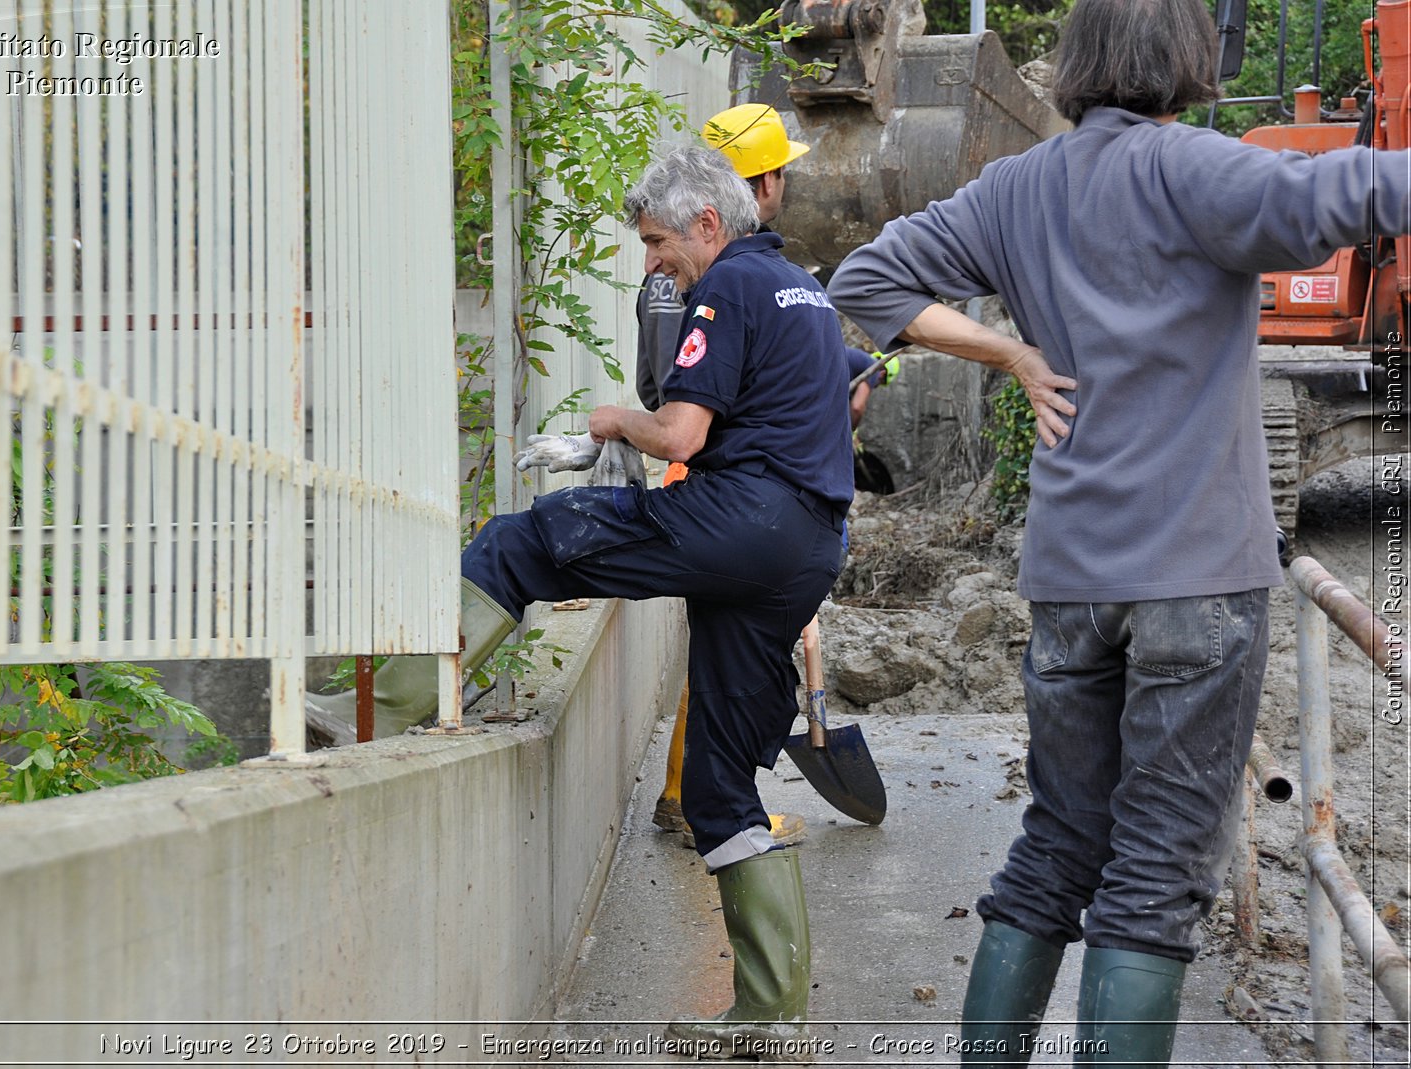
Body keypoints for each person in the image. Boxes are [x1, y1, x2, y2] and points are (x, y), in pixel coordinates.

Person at [826, 0, 1411, 1063]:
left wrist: (1006, 353)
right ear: (1185, 55)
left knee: (1054, 845)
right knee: (1153, 875)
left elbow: (864, 279)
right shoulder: (1195, 168)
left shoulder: (1016, 187)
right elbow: (1359, 187)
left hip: (1068, 582)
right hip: (1195, 578)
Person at [357, 144, 853, 1057]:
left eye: (660, 241)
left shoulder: (728, 288)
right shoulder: (803, 289)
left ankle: (373, 715)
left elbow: (680, 430)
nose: (653, 260)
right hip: (806, 547)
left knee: (527, 540)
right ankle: (771, 1021)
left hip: (742, 517)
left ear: (709, 222)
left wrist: (608, 424)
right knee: (717, 786)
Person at [642, 103, 899, 849]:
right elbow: (680, 389)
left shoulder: (739, 274)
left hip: (745, 478)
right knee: (727, 651)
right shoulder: (696, 275)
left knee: (733, 646)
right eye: (781, 172)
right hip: (720, 478)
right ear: (764, 183)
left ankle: (699, 797)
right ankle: (695, 802)